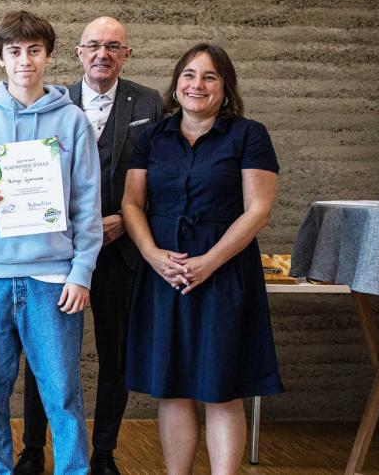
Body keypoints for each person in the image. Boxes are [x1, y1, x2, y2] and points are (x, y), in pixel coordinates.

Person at [122, 43, 283, 475]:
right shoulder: (152, 137)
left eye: (210, 77)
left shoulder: (249, 135)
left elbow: (258, 210)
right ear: (176, 86)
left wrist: (209, 261)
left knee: (220, 388)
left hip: (225, 274)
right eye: (190, 75)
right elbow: (133, 205)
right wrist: (153, 256)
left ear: (225, 88)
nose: (198, 84)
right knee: (172, 387)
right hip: (164, 274)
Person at [15, 16, 163, 475]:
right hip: (60, 252)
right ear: (78, 53)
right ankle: (34, 449)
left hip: (121, 250)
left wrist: (125, 219)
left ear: (126, 55)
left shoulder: (151, 104)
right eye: (94, 45)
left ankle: (103, 452)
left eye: (113, 46)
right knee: (46, 355)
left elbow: (164, 174)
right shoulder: (52, 102)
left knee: (114, 354)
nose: (103, 54)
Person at [0, 10, 102, 475]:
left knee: (62, 396)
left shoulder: (73, 122)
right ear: (1, 59)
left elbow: (87, 207)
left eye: (34, 51)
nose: (25, 60)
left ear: (49, 56)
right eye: (15, 51)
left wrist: (81, 274)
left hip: (52, 281)